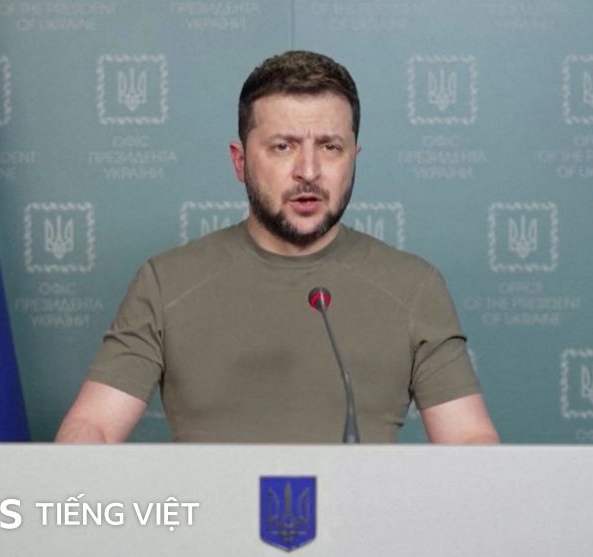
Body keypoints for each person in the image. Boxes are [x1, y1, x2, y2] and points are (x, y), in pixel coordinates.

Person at [56, 50, 498, 444]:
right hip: (209, 513)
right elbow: (94, 425)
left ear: (354, 159)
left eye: (330, 147)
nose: (308, 171)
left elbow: (469, 441)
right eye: (283, 146)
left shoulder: (414, 286)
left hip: (360, 513)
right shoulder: (165, 282)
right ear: (240, 162)